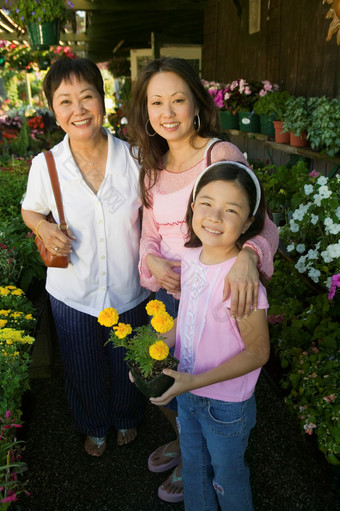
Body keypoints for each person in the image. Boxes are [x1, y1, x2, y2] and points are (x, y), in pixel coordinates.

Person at [127, 57, 278, 503]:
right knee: (175, 385)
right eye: (156, 102)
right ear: (146, 111)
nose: (167, 112)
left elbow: (261, 223)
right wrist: (152, 262)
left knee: (212, 386)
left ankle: (218, 466)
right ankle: (187, 451)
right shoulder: (151, 167)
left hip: (219, 285)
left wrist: (249, 258)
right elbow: (148, 236)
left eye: (178, 99)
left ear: (197, 104)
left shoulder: (219, 155)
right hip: (175, 297)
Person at [21, 58, 150, 457]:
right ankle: (94, 425)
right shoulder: (46, 166)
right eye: (65, 101)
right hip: (73, 290)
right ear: (54, 110)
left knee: (128, 362)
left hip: (130, 285)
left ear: (103, 101)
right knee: (81, 366)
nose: (78, 110)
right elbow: (31, 209)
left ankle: (127, 418)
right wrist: (44, 228)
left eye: (86, 97)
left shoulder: (135, 157)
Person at [150, 161, 270, 511]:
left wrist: (195, 380)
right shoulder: (191, 257)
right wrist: (153, 354)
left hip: (225, 405)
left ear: (248, 223)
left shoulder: (241, 283)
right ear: (191, 208)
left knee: (226, 477)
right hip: (186, 391)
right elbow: (187, 319)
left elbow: (258, 353)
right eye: (206, 203)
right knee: (195, 470)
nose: (215, 216)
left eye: (231, 210)